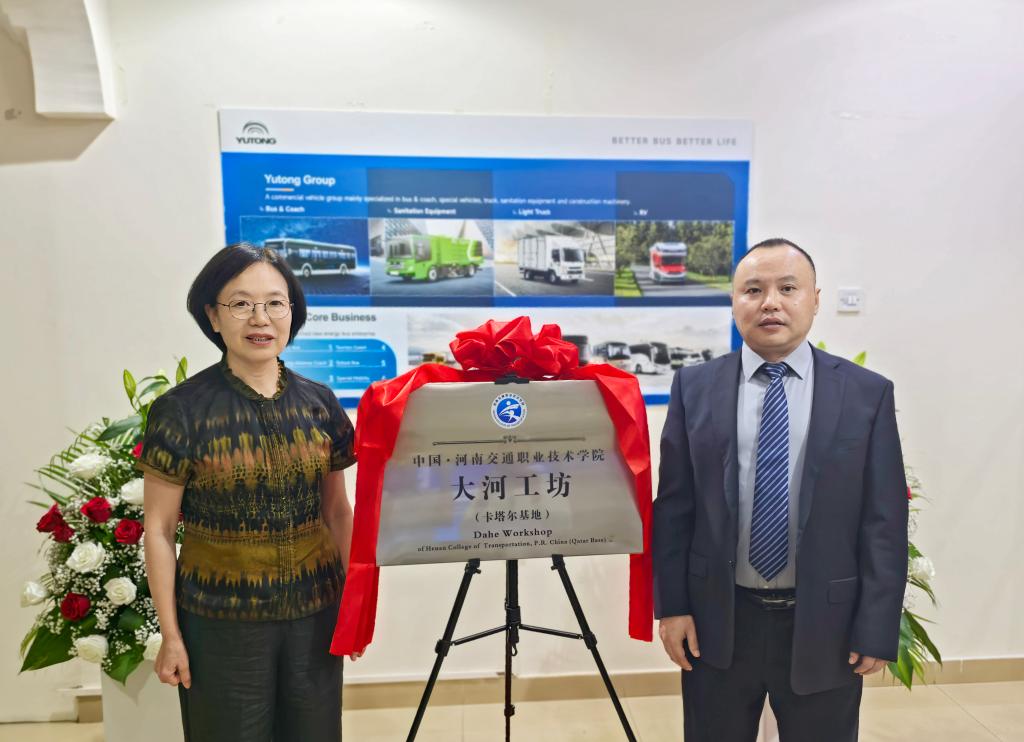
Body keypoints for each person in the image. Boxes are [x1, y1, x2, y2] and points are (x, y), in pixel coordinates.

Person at [653, 238, 908, 741]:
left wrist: (877, 624)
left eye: (788, 288)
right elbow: (675, 508)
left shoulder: (866, 393)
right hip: (717, 620)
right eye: (753, 290)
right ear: (734, 302)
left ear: (815, 299)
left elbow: (883, 519)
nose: (770, 302)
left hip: (826, 625)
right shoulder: (694, 388)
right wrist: (673, 607)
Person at [140, 243, 357, 742]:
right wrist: (170, 635)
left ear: (292, 312)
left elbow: (337, 512)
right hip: (220, 622)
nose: (260, 318)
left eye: (275, 303)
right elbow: (159, 528)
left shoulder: (320, 404)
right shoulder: (181, 410)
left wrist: (354, 607)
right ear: (213, 316)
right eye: (240, 304)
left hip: (315, 615)